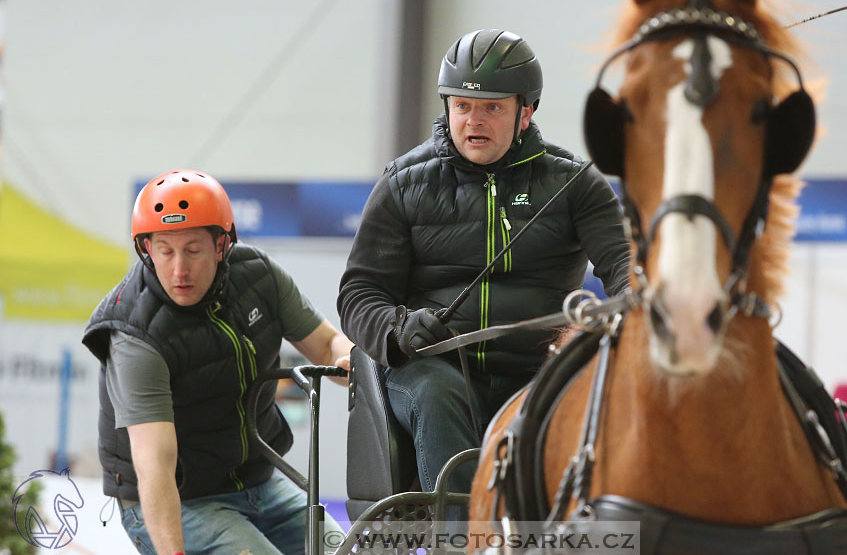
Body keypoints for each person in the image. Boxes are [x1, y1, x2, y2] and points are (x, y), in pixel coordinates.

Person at [337, 29, 631, 505]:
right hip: (433, 370)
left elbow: (624, 266)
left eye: (493, 107)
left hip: (542, 369)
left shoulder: (576, 184)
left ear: (526, 111)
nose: (474, 120)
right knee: (437, 393)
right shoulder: (402, 184)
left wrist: (631, 299)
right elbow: (359, 294)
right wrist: (399, 328)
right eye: (462, 106)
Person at [82, 169, 353, 555]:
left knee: (349, 551)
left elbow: (327, 346)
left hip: (258, 484)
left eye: (192, 250)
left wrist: (351, 361)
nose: (179, 269)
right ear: (146, 250)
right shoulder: (134, 335)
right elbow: (155, 465)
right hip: (176, 499)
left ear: (221, 244)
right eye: (165, 251)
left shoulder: (259, 276)